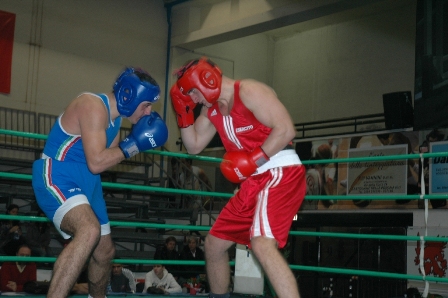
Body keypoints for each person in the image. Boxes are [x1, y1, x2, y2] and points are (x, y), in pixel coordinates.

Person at [170, 57, 306, 298]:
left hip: (279, 172)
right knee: (214, 245)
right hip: (254, 179)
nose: (193, 99)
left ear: (205, 80)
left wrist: (253, 160)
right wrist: (182, 112)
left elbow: (286, 130)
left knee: (262, 244)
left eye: (192, 92)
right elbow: (192, 146)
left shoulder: (249, 91)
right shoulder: (211, 110)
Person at [31, 67, 168, 298]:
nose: (148, 112)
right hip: (57, 174)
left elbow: (105, 162)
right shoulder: (92, 106)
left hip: (89, 181)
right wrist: (134, 143)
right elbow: (96, 162)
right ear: (129, 95)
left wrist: (131, 143)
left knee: (105, 252)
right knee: (89, 230)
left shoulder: (114, 119)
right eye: (146, 105)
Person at [179, 158, 212, 223]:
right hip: (188, 201)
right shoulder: (181, 176)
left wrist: (211, 196)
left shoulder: (198, 171)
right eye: (181, 163)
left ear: (188, 163)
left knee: (195, 212)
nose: (181, 165)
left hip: (197, 200)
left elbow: (207, 182)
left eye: (183, 162)